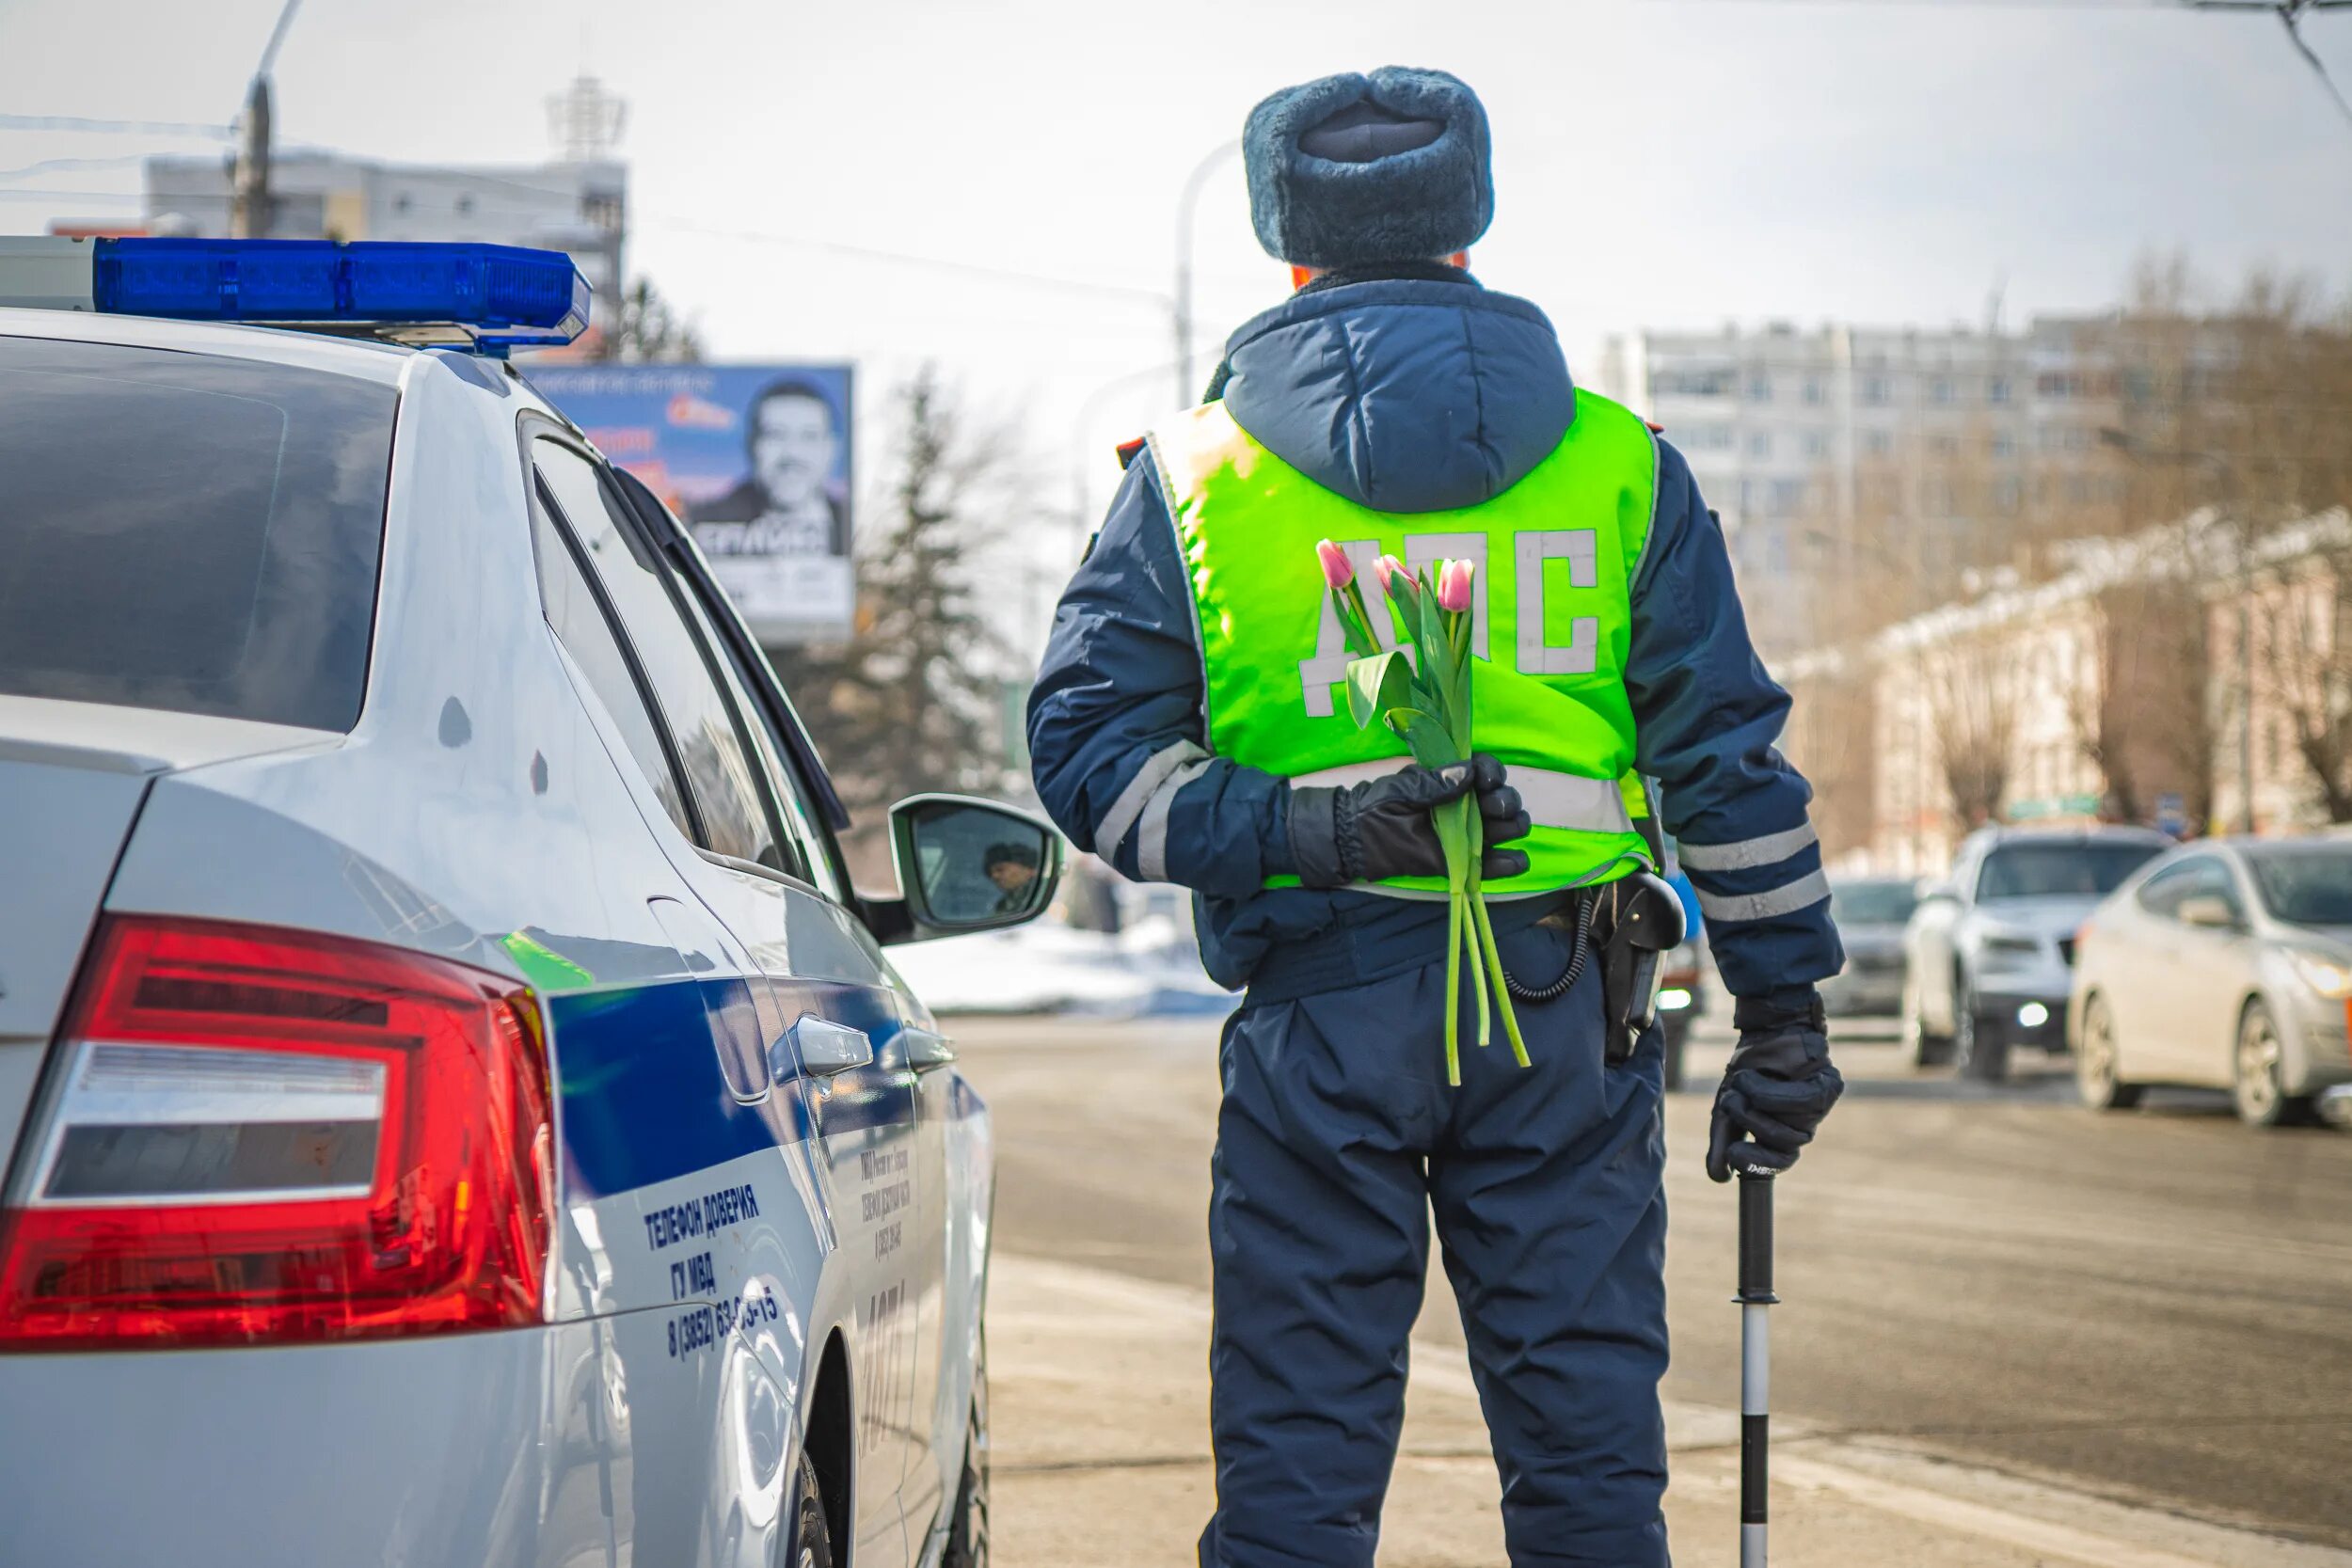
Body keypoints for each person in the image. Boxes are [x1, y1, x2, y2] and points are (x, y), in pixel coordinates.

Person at [1027, 67, 1846, 1568]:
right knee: (1590, 1471)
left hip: (1317, 1022)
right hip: (1566, 1020)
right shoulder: (1622, 467)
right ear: (1469, 223)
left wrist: (1309, 830)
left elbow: (1087, 757)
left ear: (1289, 243)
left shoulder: (1195, 483)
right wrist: (1783, 1010)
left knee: (1296, 1478)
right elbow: (1726, 760)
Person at [691, 377, 850, 558]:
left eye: (809, 436)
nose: (792, 454)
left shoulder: (849, 525)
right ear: (751, 445)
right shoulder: (703, 521)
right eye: (775, 435)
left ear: (832, 448)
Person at [982, 840, 1042, 913]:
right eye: (989, 873)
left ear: (1030, 870)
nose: (994, 876)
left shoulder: (1041, 895)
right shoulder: (1003, 905)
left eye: (1000, 869)